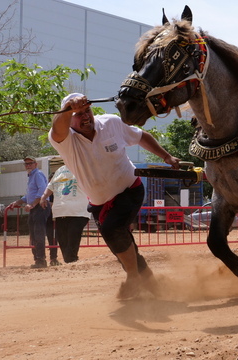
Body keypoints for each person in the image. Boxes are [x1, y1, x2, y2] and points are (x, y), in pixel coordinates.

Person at [49, 93, 180, 299]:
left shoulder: (110, 123)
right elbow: (58, 128)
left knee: (113, 230)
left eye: (87, 111)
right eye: (78, 114)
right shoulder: (65, 140)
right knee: (125, 251)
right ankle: (157, 292)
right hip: (99, 205)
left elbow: (140, 136)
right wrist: (67, 107)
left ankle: (133, 280)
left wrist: (166, 156)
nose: (85, 117)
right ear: (68, 117)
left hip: (130, 189)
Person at [39, 165, 90, 263]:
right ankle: (69, 262)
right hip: (60, 212)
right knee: (63, 241)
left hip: (78, 212)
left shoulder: (83, 167)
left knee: (72, 239)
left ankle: (72, 260)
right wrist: (44, 197)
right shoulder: (60, 170)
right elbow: (51, 186)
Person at [10, 156, 53, 268]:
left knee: (38, 233)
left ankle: (41, 260)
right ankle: (38, 259)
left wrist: (32, 204)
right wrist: (19, 201)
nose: (28, 165)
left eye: (30, 163)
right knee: (34, 235)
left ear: (35, 164)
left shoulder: (37, 174)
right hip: (36, 207)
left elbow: (42, 191)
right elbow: (29, 195)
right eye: (26, 164)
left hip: (40, 206)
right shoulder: (31, 176)